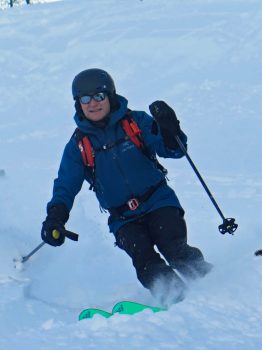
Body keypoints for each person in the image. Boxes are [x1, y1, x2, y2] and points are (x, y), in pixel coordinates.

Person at [40, 68, 212, 305]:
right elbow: (65, 185)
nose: (93, 104)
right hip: (123, 218)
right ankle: (177, 299)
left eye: (98, 96)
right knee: (145, 262)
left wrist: (171, 130)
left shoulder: (136, 122)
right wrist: (55, 217)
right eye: (85, 99)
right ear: (78, 104)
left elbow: (172, 150)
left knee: (173, 248)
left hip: (159, 201)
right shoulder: (78, 145)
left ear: (110, 95)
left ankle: (212, 284)